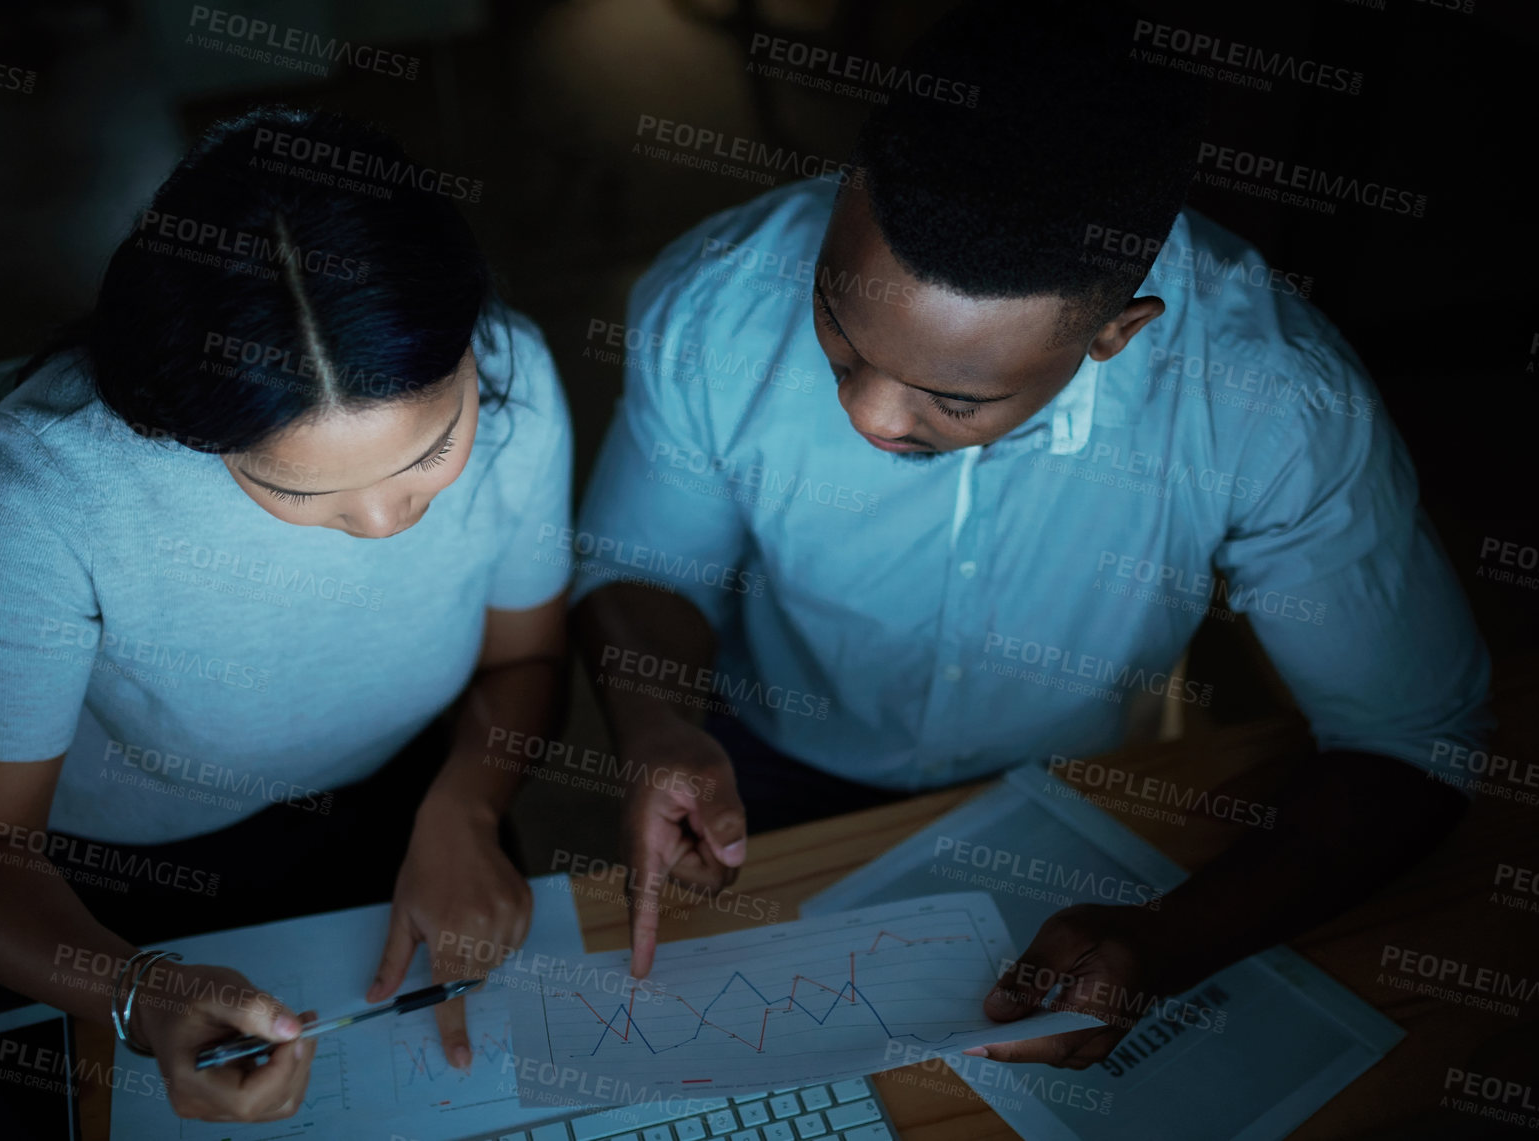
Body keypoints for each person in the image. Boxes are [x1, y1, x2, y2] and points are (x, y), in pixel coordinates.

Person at [569, 0, 1491, 1069]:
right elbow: (640, 566)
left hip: (1081, 795)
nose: (866, 416)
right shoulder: (713, 299)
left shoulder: (1273, 406)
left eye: (952, 400)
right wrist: (652, 725)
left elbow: (1410, 738)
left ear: (1113, 333)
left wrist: (1169, 938)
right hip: (767, 761)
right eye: (835, 320)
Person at [0, 107, 572, 1123]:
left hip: (409, 805)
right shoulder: (48, 492)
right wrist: (140, 992)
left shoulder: (515, 368)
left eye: (434, 448)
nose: (387, 521)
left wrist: (469, 804)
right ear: (188, 429)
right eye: (301, 493)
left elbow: (523, 660)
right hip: (122, 888)